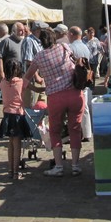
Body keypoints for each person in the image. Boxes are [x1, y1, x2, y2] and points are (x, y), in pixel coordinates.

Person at [22, 28, 84, 177]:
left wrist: (21, 91)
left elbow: (27, 77)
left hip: (55, 97)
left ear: (40, 41)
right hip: (75, 94)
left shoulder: (39, 57)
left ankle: (58, 166)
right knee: (75, 129)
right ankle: (75, 165)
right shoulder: (65, 47)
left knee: (55, 131)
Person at [0, 59, 31, 180]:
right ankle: (16, 172)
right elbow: (35, 88)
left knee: (10, 144)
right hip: (17, 115)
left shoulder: (3, 83)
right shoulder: (22, 82)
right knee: (17, 145)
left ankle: (10, 171)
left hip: (6, 115)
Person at [0, 22, 25, 118]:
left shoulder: (24, 41)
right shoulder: (6, 41)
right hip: (8, 74)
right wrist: (1, 72)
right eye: (20, 30)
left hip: (20, 74)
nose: (22, 32)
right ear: (14, 31)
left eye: (23, 30)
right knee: (1, 93)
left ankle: (17, 113)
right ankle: (2, 113)